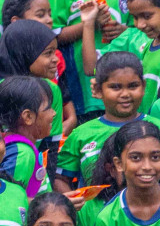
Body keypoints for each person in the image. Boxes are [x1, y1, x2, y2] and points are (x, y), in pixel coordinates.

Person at [55, 52, 149, 191]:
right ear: (98, 90)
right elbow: (60, 178)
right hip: (94, 213)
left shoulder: (155, 127)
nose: (125, 94)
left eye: (133, 86)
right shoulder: (82, 134)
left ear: (144, 86)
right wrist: (74, 207)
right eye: (115, 87)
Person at [0, 19, 69, 141]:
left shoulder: (52, 89)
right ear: (24, 54)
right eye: (48, 53)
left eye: (55, 52)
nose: (56, 59)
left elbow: (51, 144)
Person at [89, 119, 160, 226]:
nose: (147, 166)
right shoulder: (108, 219)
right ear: (119, 164)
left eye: (155, 157)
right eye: (136, 158)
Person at [0, 75, 56, 198]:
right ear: (28, 117)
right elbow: (9, 201)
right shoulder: (23, 154)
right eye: (48, 108)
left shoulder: (6, 142)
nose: (54, 113)